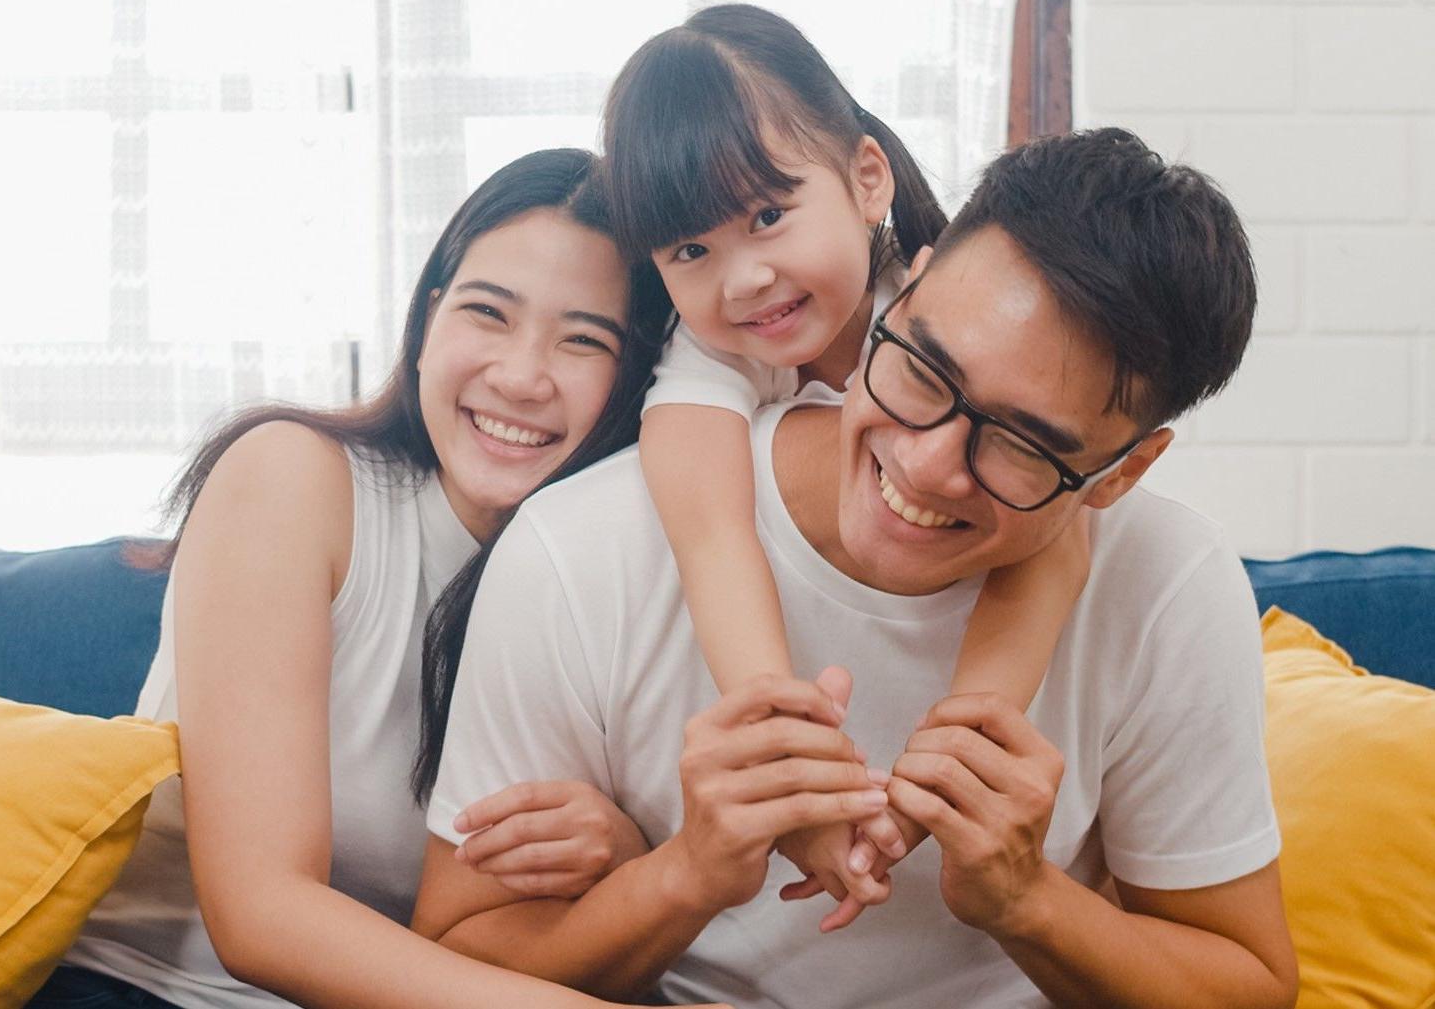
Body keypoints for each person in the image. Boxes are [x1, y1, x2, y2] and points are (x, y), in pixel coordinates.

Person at [413, 128, 1299, 1008]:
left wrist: (1030, 902)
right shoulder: (584, 546)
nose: (925, 464)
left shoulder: (1168, 584)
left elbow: (1252, 984)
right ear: (900, 292)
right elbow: (454, 950)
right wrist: (687, 872)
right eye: (922, 367)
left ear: (1123, 472)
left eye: (1024, 444)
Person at [41, 149, 723, 1009]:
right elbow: (260, 915)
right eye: (488, 313)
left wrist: (627, 864)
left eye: (584, 339)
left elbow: (495, 942)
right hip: (147, 989)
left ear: (635, 382)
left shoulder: (613, 582)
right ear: (429, 321)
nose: (520, 376)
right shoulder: (294, 478)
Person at [618, 3, 1089, 923]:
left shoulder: (941, 311)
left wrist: (935, 788)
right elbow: (712, 534)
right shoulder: (706, 360)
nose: (743, 276)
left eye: (767, 212)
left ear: (867, 177)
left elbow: (1056, 544)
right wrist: (786, 760)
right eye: (690, 249)